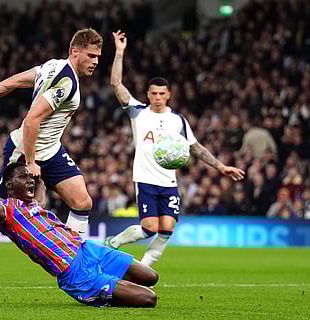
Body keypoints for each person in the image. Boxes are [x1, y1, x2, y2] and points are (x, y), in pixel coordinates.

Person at [0, 162, 159, 308]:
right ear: (9, 186)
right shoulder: (7, 210)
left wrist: (37, 166)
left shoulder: (34, 204)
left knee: (151, 276)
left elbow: (39, 183)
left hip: (88, 249)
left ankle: (110, 286)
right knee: (150, 300)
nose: (28, 181)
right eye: (22, 178)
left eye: (29, 178)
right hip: (75, 274)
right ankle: (101, 291)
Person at [104, 30, 245, 266]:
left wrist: (221, 166)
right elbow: (116, 84)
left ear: (168, 95)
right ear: (147, 95)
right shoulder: (138, 112)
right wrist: (119, 52)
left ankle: (143, 269)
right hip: (146, 179)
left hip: (169, 182)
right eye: (153, 94)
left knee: (167, 228)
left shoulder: (177, 120)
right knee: (150, 228)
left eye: (162, 93)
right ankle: (115, 242)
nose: (157, 97)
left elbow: (196, 148)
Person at [0, 28, 103, 239]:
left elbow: (12, 82)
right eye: (91, 56)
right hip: (25, 150)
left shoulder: (52, 66)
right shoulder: (66, 83)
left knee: (82, 202)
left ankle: (72, 259)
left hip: (50, 150)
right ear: (75, 51)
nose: (95, 62)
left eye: (97, 57)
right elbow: (32, 120)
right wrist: (30, 162)